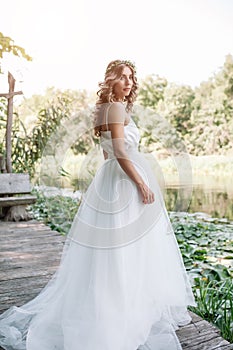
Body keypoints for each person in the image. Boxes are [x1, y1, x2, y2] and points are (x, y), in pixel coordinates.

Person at [0, 59, 197, 350]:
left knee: (114, 248)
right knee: (127, 246)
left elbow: (107, 157)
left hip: (110, 180)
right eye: (122, 76)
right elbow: (118, 150)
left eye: (131, 77)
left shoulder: (102, 110)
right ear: (110, 80)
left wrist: (109, 184)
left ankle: (114, 303)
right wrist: (141, 183)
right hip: (126, 181)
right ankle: (122, 310)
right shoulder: (116, 108)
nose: (128, 82)